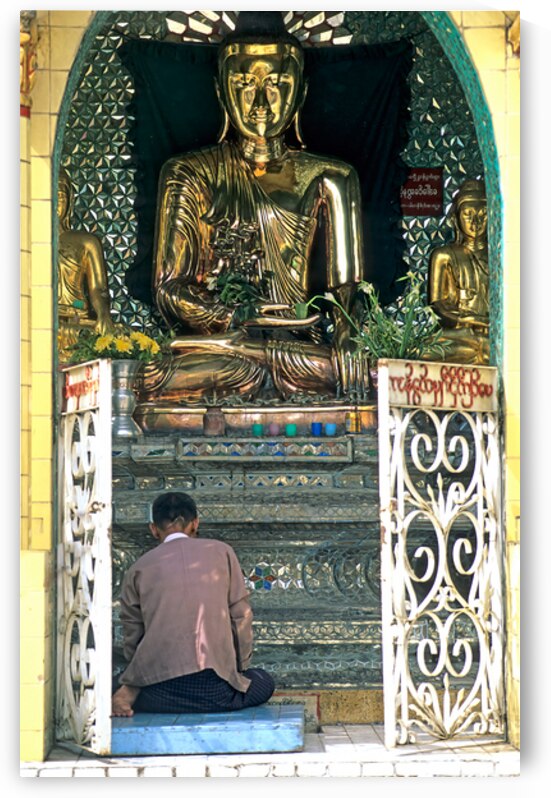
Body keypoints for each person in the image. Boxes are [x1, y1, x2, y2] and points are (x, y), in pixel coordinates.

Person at [141, 11, 369, 405]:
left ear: (301, 90)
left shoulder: (333, 176)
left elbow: (348, 288)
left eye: (278, 83)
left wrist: (348, 336)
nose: (261, 102)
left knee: (359, 372)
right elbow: (168, 288)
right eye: (245, 84)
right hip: (225, 345)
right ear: (220, 91)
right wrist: (233, 316)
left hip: (299, 348)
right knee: (154, 374)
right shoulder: (188, 172)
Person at [111, 491, 274, 717]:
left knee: (112, 681)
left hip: (159, 693)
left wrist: (139, 678)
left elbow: (133, 634)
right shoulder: (222, 552)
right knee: (264, 681)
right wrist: (238, 668)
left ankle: (128, 693)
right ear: (195, 523)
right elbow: (241, 616)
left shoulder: (138, 567)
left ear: (153, 528)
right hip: (216, 691)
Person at [427, 178, 490, 365]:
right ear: (456, 218)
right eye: (468, 214)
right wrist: (469, 320)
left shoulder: (501, 257)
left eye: (483, 214)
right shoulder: (443, 255)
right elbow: (438, 308)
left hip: (494, 334)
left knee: (496, 347)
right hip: (460, 334)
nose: (475, 221)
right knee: (420, 351)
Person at [57, 167, 116, 360]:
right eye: (49, 195)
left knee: (110, 336)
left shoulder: (86, 241)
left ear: (69, 200)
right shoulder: (25, 243)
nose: (56, 202)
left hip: (77, 315)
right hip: (40, 322)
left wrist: (103, 313)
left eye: (60, 195)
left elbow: (99, 288)